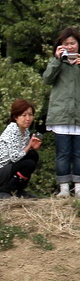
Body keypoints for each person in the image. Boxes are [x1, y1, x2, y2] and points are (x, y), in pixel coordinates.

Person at [43, 27, 80, 198]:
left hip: (78, 115)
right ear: (60, 46)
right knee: (63, 153)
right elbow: (47, 79)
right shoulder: (57, 63)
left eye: (73, 43)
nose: (70, 47)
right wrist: (57, 59)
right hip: (61, 116)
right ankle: (64, 188)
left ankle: (78, 188)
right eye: (66, 44)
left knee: (79, 153)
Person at [0, 99, 42, 199]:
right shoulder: (12, 129)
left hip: (6, 171)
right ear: (16, 117)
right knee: (29, 163)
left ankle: (19, 190)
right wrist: (29, 146)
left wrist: (33, 148)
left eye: (30, 115)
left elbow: (23, 154)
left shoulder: (25, 131)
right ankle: (3, 190)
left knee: (33, 156)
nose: (28, 118)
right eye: (24, 115)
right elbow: (15, 157)